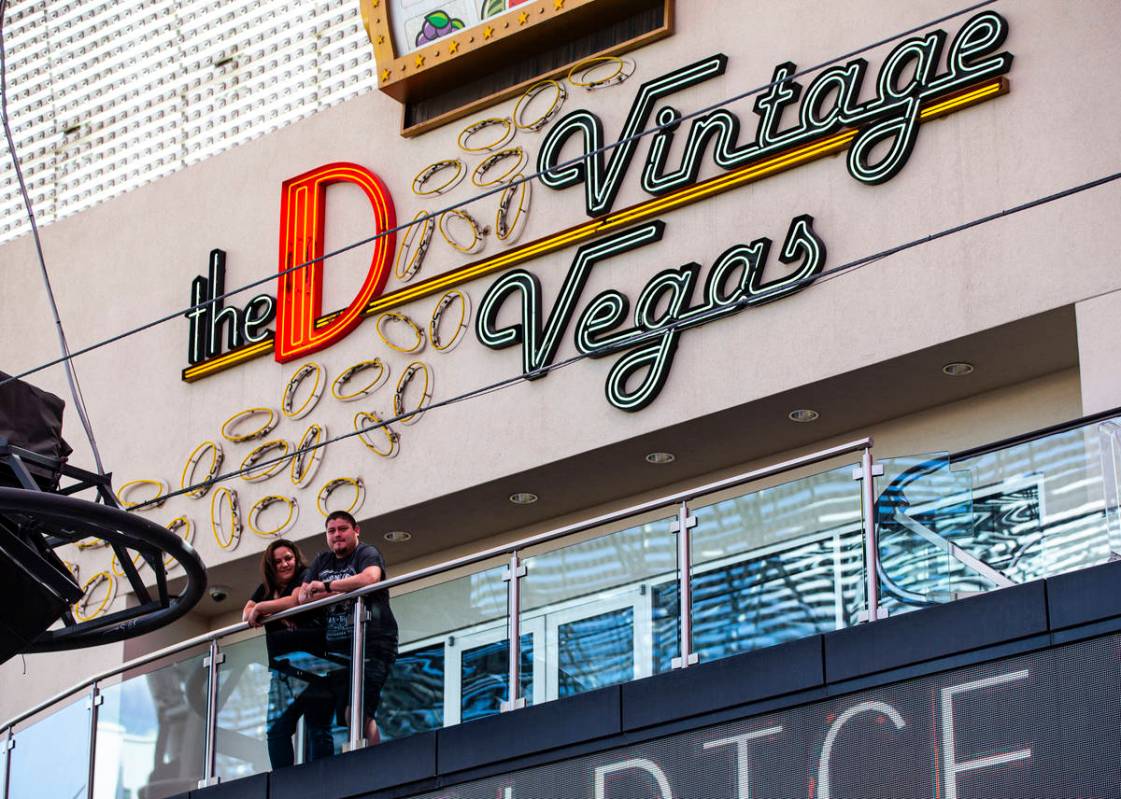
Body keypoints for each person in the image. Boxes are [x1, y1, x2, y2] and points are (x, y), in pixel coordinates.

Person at [297, 510, 398, 745]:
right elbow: (303, 596)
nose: (337, 535)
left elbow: (370, 578)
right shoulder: (322, 560)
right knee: (347, 713)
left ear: (356, 531)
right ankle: (364, 755)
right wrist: (330, 588)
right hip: (339, 649)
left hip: (374, 642)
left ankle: (373, 760)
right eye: (331, 531)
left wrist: (327, 586)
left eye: (342, 529)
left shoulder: (366, 552)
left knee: (359, 711)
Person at [243, 539, 334, 767]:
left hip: (313, 663)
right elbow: (245, 614)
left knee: (318, 727)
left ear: (296, 558)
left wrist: (263, 609)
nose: (284, 564)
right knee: (277, 730)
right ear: (270, 566)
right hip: (283, 669)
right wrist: (259, 609)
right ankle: (283, 784)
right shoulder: (265, 588)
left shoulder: (305, 575)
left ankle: (323, 779)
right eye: (278, 561)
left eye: (288, 558)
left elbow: (295, 600)